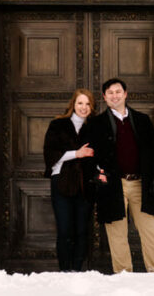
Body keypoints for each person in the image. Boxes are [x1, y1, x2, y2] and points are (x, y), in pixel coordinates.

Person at [85, 78, 154, 273]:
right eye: (110, 92)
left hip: (140, 184)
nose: (114, 95)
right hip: (113, 186)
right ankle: (124, 276)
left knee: (150, 232)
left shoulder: (142, 120)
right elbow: (88, 156)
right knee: (117, 235)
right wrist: (98, 178)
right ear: (104, 97)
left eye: (118, 91)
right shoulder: (96, 124)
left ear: (125, 93)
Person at [43, 88, 96, 271]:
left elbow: (100, 156)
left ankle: (77, 270)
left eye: (88, 103)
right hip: (62, 183)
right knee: (65, 230)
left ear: (92, 106)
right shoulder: (58, 125)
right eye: (80, 103)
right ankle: (65, 270)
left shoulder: (94, 127)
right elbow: (50, 155)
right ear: (73, 104)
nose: (84, 107)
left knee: (82, 231)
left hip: (85, 184)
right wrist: (77, 154)